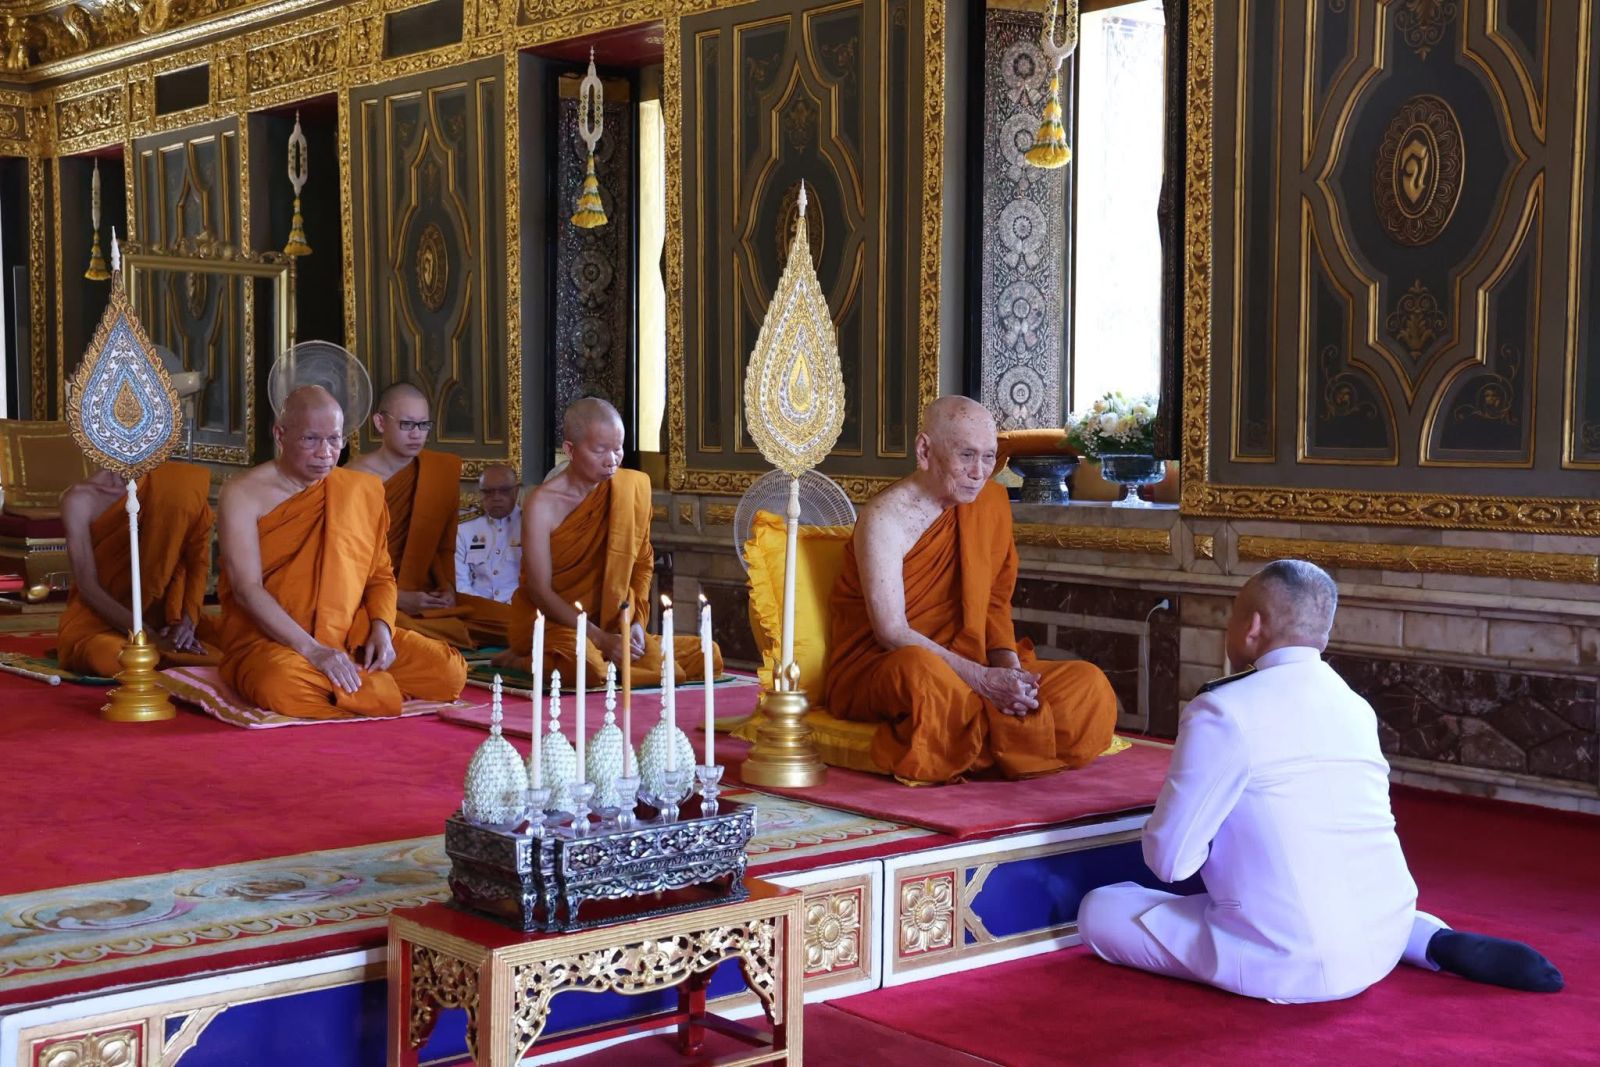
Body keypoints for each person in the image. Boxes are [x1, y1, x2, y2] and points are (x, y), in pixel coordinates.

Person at [1077, 560, 1563, 1002]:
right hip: (1385, 933)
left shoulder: (1222, 710)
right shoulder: (1355, 705)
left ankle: (1351, 936)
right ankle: (1424, 940)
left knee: (1101, 909)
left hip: (1289, 962)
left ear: (1253, 626)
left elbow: (1170, 863)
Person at [822, 395, 1117, 783]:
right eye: (966, 455)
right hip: (889, 665)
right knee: (923, 679)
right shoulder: (885, 518)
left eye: (989, 457)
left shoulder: (989, 502)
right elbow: (891, 632)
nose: (979, 472)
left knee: (1089, 686)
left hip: (974, 662)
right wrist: (982, 680)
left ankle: (975, 736)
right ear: (925, 451)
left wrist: (1011, 677)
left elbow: (994, 603)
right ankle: (1011, 739)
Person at [216, 385, 467, 719]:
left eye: (335, 440)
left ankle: (346, 687)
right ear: (280, 435)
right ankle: (369, 689)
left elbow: (380, 575)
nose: (325, 453)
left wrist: (382, 629)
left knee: (449, 672)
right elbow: (247, 589)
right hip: (274, 640)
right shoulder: (243, 493)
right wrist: (313, 650)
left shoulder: (359, 490)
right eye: (310, 439)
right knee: (279, 684)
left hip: (351, 635)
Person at [492, 397, 721, 681]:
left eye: (618, 449)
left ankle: (610, 656)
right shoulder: (542, 504)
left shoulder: (631, 489)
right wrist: (599, 638)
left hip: (612, 622)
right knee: (589, 667)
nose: (612, 460)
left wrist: (636, 623)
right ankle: (522, 660)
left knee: (708, 654)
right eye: (600, 450)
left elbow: (642, 565)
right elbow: (540, 591)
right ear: (570, 450)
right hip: (554, 624)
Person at [56, 461, 221, 676]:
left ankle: (173, 658)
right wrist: (148, 636)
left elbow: (197, 561)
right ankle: (169, 662)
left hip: (165, 616)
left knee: (239, 640)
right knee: (115, 657)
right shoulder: (79, 499)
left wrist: (187, 623)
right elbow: (88, 586)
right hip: (100, 621)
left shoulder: (176, 485)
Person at [347, 382, 479, 646]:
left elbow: (442, 547)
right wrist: (398, 598)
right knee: (395, 627)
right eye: (407, 424)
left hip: (427, 597)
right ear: (380, 423)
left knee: (515, 623)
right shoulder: (351, 479)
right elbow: (346, 563)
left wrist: (446, 588)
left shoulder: (440, 470)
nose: (417, 434)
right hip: (371, 597)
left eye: (423, 425)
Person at [455, 463, 522, 615]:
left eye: (504, 491)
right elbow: (460, 583)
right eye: (488, 492)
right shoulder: (464, 528)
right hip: (476, 611)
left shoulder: (530, 525)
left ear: (516, 491)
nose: (496, 497)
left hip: (519, 611)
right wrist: (486, 610)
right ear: (480, 493)